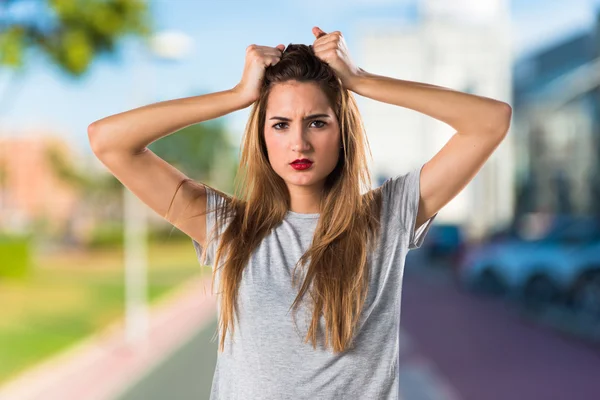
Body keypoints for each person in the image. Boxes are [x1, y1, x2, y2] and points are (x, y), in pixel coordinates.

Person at [88, 26, 512, 400]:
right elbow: (108, 141)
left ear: (342, 131)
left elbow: (490, 121)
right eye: (280, 124)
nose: (299, 144)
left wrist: (360, 80)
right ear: (262, 137)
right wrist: (237, 96)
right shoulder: (229, 228)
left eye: (317, 122)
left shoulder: (386, 217)